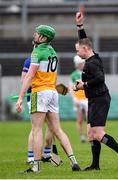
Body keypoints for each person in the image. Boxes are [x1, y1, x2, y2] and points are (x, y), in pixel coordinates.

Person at [16, 25, 80, 173]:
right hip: (52, 92)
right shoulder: (53, 52)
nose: (34, 35)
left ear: (44, 37)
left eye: (37, 34)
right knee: (57, 130)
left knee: (37, 129)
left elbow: (29, 76)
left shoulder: (37, 52)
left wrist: (20, 97)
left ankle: (36, 167)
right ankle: (73, 162)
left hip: (39, 92)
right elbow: (54, 77)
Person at [74, 11, 118, 171]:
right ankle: (95, 165)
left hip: (100, 99)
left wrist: (83, 86)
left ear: (85, 49)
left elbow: (100, 79)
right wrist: (80, 26)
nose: (77, 53)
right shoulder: (91, 57)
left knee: (98, 134)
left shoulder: (91, 63)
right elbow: (83, 41)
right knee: (91, 133)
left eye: (78, 50)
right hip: (95, 98)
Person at [22, 57, 54, 164]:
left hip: (47, 94)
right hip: (35, 95)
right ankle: (31, 157)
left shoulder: (49, 58)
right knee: (36, 127)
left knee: (52, 126)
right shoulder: (30, 60)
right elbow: (24, 80)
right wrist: (41, 84)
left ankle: (47, 154)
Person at [69, 55, 88, 143]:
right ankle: (82, 136)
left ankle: (90, 135)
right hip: (79, 99)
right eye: (80, 63)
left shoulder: (87, 72)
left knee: (89, 119)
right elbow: (71, 88)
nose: (82, 65)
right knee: (80, 119)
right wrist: (74, 99)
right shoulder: (73, 75)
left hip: (87, 98)